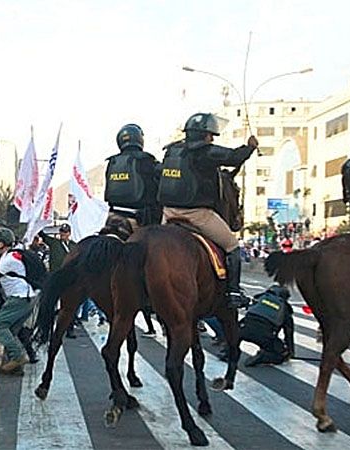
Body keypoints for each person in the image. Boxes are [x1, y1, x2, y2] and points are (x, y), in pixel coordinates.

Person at [157, 112, 259, 308]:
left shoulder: (172, 151)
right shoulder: (206, 152)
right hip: (197, 214)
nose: (212, 138)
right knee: (232, 246)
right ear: (204, 135)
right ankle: (233, 292)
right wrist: (250, 147)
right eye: (210, 134)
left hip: (168, 213)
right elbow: (233, 157)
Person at [0, 228, 38, 375]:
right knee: (11, 330)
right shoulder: (3, 256)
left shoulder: (9, 259)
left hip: (19, 298)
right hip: (26, 298)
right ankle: (17, 367)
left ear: (2, 244)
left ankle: (18, 357)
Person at [104, 123, 162, 237]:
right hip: (140, 220)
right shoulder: (147, 160)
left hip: (113, 216)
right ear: (139, 139)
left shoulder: (112, 162)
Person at [39, 224, 79, 337]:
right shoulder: (54, 243)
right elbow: (42, 235)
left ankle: (69, 328)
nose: (63, 234)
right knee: (49, 303)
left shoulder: (74, 246)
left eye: (65, 232)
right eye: (61, 232)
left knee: (69, 305)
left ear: (69, 233)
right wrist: (38, 222)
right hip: (55, 278)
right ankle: (46, 329)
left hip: (69, 278)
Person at [239, 285, 295, 366]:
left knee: (237, 335)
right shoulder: (284, 308)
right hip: (264, 336)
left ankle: (227, 352)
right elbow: (288, 333)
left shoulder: (260, 299)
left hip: (244, 330)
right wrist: (289, 352)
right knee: (280, 356)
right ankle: (263, 357)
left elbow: (248, 315)